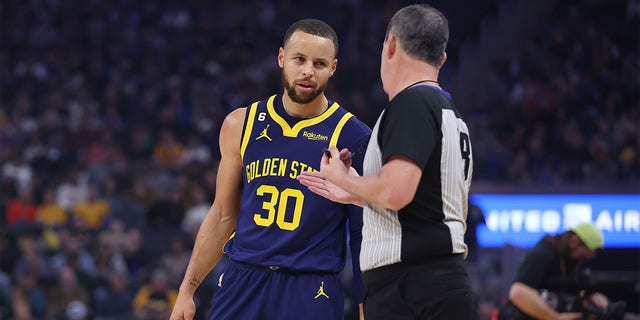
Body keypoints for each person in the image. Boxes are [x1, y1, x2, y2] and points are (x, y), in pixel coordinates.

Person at [169, 18, 371, 320]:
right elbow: (224, 215)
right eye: (299, 59)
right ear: (281, 58)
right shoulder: (240, 123)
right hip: (243, 278)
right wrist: (187, 290)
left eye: (319, 63)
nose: (307, 71)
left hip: (311, 286)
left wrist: (366, 309)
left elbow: (361, 235)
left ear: (333, 68)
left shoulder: (353, 136)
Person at [297, 4, 474, 319]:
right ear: (442, 59)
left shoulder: (412, 103)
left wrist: (342, 178)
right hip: (438, 282)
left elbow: (395, 192)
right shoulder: (448, 110)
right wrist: (356, 194)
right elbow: (422, 206)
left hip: (412, 287)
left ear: (390, 45)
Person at [498, 222, 610, 320]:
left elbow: (580, 288)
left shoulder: (572, 262)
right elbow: (518, 293)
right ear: (574, 240)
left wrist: (591, 296)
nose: (582, 260)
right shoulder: (544, 253)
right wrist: (555, 318)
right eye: (582, 256)